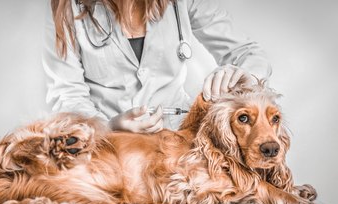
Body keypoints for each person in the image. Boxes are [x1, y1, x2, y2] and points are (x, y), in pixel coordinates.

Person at [42, 0, 271, 133]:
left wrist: (244, 74)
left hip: (179, 139)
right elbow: (66, 94)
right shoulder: (67, 8)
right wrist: (108, 128)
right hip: (109, 148)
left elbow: (249, 52)